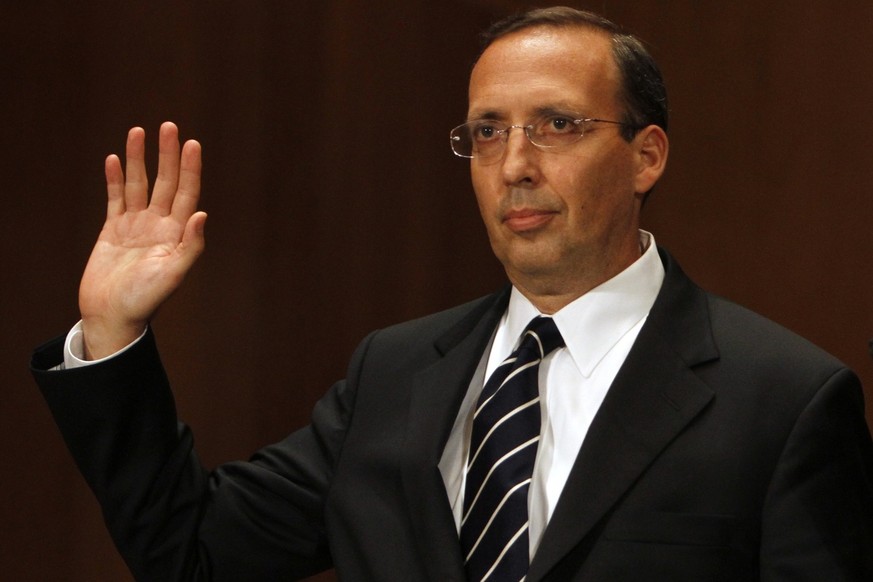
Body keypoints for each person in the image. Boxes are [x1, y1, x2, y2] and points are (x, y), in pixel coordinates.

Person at [31, 6, 873, 581]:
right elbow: (192, 555)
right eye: (486, 132)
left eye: (557, 124)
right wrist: (111, 335)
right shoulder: (393, 373)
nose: (514, 164)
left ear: (646, 156)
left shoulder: (785, 399)